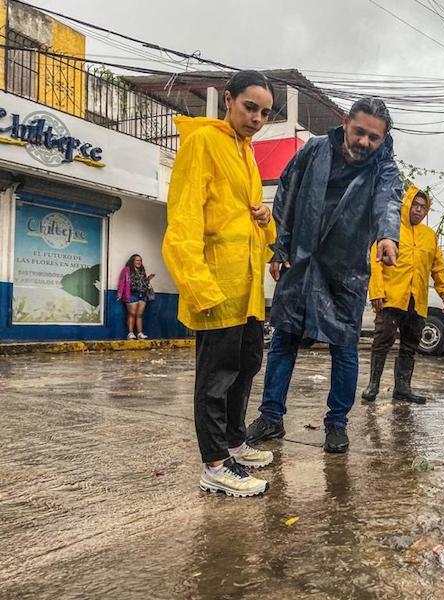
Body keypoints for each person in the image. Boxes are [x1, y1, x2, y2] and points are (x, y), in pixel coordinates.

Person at [246, 97, 403, 454]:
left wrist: (387, 236)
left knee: (344, 348)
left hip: (345, 272)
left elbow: (388, 203)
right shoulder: (314, 150)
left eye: (374, 138)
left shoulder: (385, 171)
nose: (364, 142)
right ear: (347, 121)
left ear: (384, 138)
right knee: (284, 340)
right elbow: (286, 192)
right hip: (300, 262)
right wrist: (280, 247)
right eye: (360, 131)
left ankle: (337, 423)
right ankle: (271, 416)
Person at [162, 70, 277, 498]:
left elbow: (248, 223)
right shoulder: (202, 142)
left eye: (265, 112)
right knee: (215, 379)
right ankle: (214, 464)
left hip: (246, 288)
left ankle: (234, 442)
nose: (257, 118)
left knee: (246, 366)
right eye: (250, 107)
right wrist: (199, 286)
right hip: (215, 286)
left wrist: (266, 220)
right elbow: (183, 219)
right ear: (227, 100)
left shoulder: (245, 153)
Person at [361, 185, 444, 404]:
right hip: (392, 296)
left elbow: (437, 266)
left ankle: (402, 388)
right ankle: (373, 385)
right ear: (407, 204)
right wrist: (377, 292)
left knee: (410, 345)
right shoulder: (390, 229)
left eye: (423, 207)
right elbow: (376, 262)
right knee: (383, 340)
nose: (419, 210)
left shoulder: (429, 236)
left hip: (416, 299)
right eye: (415, 205)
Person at [116, 254, 155, 340]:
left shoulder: (142, 271)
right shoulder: (126, 270)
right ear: (132, 261)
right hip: (131, 294)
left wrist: (148, 278)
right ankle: (130, 333)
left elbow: (144, 283)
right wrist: (119, 293)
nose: (139, 262)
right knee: (132, 314)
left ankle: (140, 333)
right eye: (137, 260)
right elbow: (122, 281)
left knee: (140, 315)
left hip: (142, 294)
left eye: (140, 260)